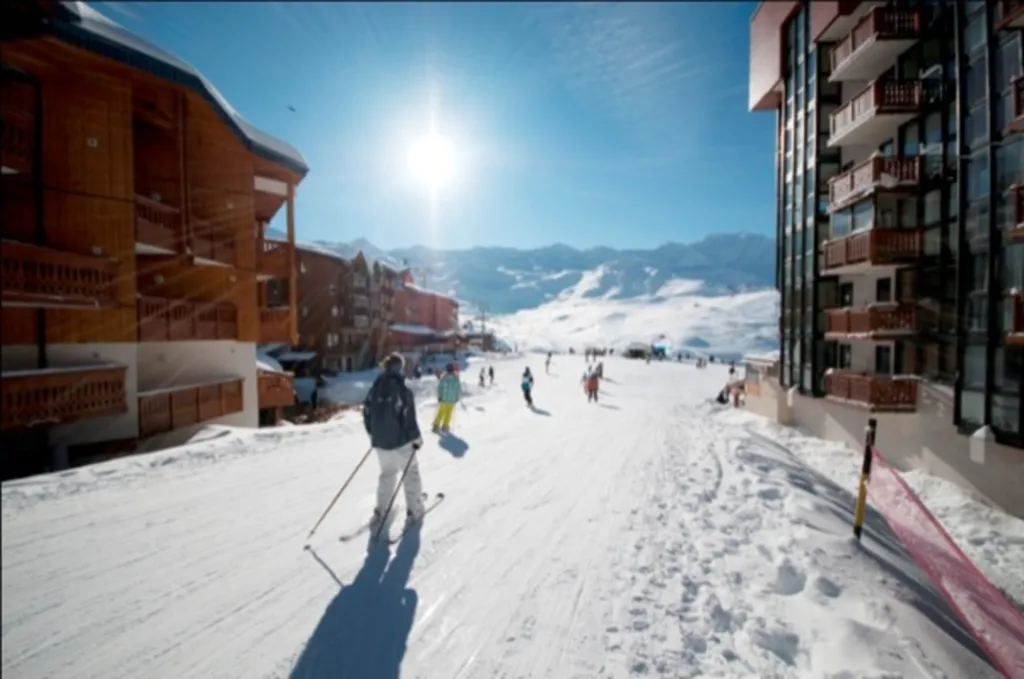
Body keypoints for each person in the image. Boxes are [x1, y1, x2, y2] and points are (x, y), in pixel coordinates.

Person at [362, 353, 425, 523]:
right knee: (410, 473)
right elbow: (408, 417)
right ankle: (414, 510)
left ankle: (381, 510)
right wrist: (416, 439)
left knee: (387, 473)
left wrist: (373, 433)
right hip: (401, 442)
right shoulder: (403, 390)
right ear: (400, 368)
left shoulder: (375, 388)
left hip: (380, 442)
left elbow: (366, 412)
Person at [432, 363, 462, 433]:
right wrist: (457, 397)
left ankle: (436, 425)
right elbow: (458, 389)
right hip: (452, 400)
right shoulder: (456, 378)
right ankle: (445, 426)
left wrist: (439, 396)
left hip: (444, 399)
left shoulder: (444, 378)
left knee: (441, 412)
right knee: (449, 413)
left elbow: (439, 388)